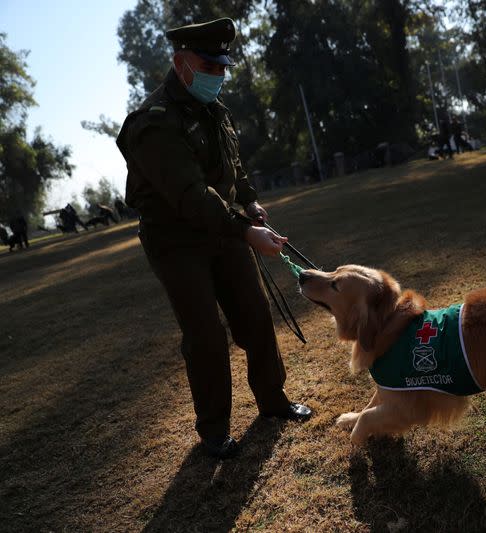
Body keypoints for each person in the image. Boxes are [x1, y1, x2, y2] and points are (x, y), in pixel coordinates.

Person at [116, 17, 311, 459]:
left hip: (222, 228)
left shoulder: (213, 112)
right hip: (177, 240)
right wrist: (245, 230)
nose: (218, 76)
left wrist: (251, 202)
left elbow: (231, 168)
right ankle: (215, 431)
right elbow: (189, 194)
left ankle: (273, 401)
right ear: (181, 64)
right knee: (205, 332)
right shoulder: (152, 123)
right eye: (210, 66)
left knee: (256, 315)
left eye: (222, 67)